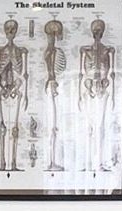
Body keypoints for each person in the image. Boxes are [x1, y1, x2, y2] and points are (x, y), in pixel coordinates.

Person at [0, 20, 29, 171]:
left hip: (16, 91)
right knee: (2, 126)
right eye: (8, 29)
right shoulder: (0, 51)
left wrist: (25, 94)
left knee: (14, 126)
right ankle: (2, 164)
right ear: (5, 31)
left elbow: (24, 75)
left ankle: (13, 164)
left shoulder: (21, 51)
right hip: (2, 89)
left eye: (13, 29)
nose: (11, 31)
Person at [79, 19, 116, 171]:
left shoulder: (108, 50)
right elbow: (81, 74)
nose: (97, 34)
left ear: (102, 33)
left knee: (100, 127)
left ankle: (99, 163)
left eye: (99, 31)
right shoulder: (85, 50)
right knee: (88, 126)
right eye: (95, 31)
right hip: (88, 89)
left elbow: (112, 73)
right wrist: (78, 96)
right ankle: (88, 163)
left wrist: (113, 96)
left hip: (102, 89)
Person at [43, 19, 67, 171]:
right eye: (55, 32)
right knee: (53, 126)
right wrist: (53, 81)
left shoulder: (50, 51)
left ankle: (53, 161)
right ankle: (52, 162)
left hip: (53, 85)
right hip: (53, 85)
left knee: (54, 126)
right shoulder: (51, 52)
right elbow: (51, 71)